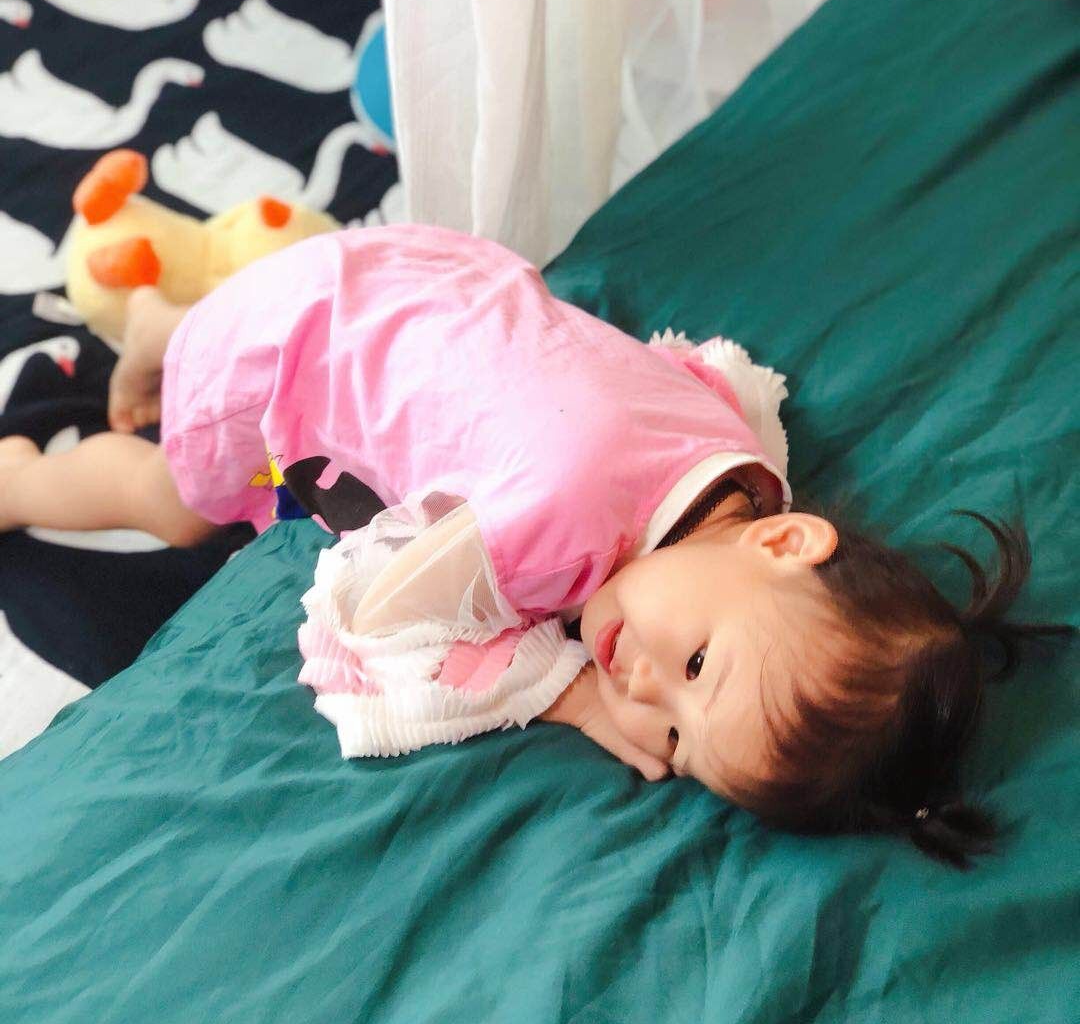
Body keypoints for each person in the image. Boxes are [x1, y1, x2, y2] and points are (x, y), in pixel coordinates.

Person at [0, 226, 1064, 866]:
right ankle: (29, 478)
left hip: (396, 273)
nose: (642, 685)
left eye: (677, 736)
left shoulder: (738, 462)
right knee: (182, 506)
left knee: (216, 331)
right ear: (785, 540)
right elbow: (380, 617)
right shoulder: (552, 529)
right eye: (698, 667)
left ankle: (162, 322)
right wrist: (570, 696)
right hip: (280, 358)